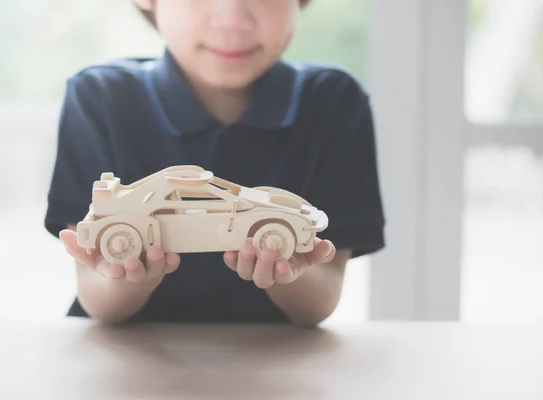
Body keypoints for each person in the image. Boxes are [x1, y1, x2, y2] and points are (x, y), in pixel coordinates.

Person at [44, 0, 385, 326]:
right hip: (126, 364)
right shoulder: (100, 96)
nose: (232, 19)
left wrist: (282, 269)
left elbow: (320, 299)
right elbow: (97, 297)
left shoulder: (334, 101)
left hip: (271, 364)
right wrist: (130, 276)